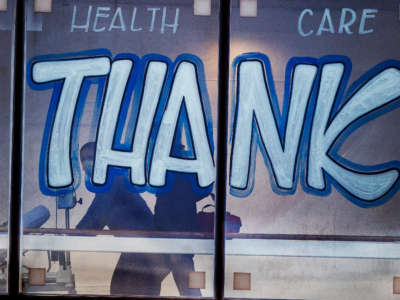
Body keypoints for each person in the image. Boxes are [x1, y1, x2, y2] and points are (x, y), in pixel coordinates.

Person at [76, 142, 207, 296]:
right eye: (83, 159)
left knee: (121, 290)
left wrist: (68, 237)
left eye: (91, 157)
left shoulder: (113, 182)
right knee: (124, 289)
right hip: (141, 254)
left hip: (143, 255)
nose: (86, 163)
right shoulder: (114, 182)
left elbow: (95, 218)